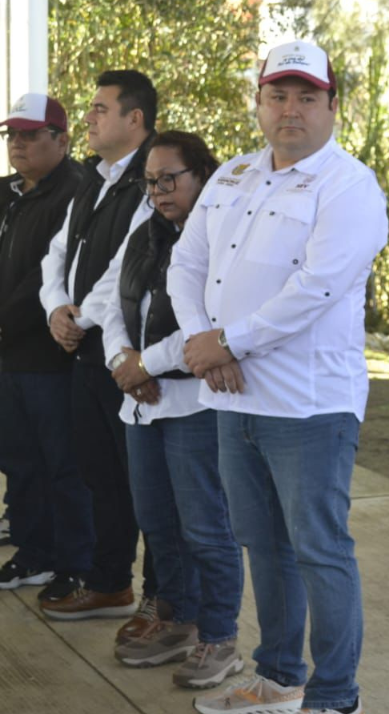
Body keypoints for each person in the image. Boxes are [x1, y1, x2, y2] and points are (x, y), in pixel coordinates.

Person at [170, 40, 387, 714]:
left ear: (332, 105)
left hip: (309, 406)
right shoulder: (232, 174)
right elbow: (186, 266)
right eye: (278, 95)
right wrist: (206, 343)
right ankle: (278, 678)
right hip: (235, 398)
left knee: (320, 550)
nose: (291, 109)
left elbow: (317, 288)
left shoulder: (349, 185)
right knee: (263, 545)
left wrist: (227, 342)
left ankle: (335, 695)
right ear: (259, 102)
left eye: (307, 96)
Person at [98, 131, 245, 689]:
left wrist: (146, 365)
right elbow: (113, 303)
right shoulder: (145, 232)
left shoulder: (222, 237)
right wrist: (122, 360)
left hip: (194, 404)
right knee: (158, 524)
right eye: (150, 182)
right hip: (141, 405)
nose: (158, 191)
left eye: (169, 179)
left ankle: (219, 637)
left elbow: (209, 324)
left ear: (201, 175)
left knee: (206, 528)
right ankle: (179, 620)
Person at [38, 70, 158, 623]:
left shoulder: (153, 176)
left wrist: (79, 317)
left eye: (100, 108)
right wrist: (55, 308)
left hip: (128, 355)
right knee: (100, 476)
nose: (88, 117)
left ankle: (164, 600)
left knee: (147, 487)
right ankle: (110, 584)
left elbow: (129, 263)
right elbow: (57, 252)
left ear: (135, 118)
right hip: (86, 353)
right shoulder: (95, 177)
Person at [0, 94, 94, 598]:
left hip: (50, 356)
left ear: (62, 140)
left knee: (63, 465)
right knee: (20, 462)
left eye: (31, 135)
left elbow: (48, 276)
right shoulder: (8, 191)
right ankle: (33, 553)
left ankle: (75, 565)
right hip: (9, 357)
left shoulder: (76, 191)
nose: (18, 143)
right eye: (12, 135)